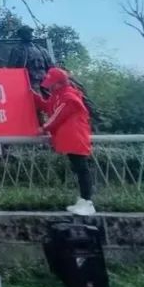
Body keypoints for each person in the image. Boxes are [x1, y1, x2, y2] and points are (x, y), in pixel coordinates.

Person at [36, 67, 96, 216]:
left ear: (60, 83)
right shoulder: (58, 96)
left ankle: (88, 202)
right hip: (70, 138)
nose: (49, 86)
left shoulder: (69, 97)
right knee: (78, 168)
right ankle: (83, 200)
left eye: (52, 83)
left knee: (82, 168)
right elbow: (47, 107)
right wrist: (32, 96)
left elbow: (58, 116)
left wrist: (44, 128)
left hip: (76, 137)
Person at [7, 26, 53, 91]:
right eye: (27, 32)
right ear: (21, 35)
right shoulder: (17, 50)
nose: (30, 34)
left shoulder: (42, 50)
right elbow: (11, 69)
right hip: (30, 82)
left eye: (30, 32)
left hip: (45, 81)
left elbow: (51, 66)